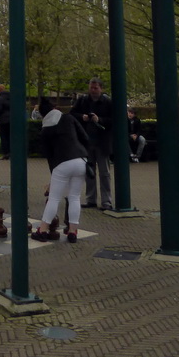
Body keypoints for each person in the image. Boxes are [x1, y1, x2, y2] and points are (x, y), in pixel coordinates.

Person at [30, 97, 89, 243]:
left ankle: (42, 230)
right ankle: (73, 231)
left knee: (54, 198)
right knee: (74, 197)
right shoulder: (69, 118)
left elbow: (49, 156)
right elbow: (85, 138)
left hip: (61, 164)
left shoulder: (44, 131)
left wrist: (52, 179)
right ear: (55, 108)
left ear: (43, 115)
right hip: (81, 160)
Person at [69, 77, 114, 211]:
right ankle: (91, 199)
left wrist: (99, 119)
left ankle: (107, 201)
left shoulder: (107, 102)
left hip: (102, 142)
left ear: (101, 89)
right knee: (89, 172)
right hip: (87, 142)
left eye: (95, 88)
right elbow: (72, 114)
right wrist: (82, 117)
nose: (93, 90)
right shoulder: (83, 100)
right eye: (91, 88)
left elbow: (114, 120)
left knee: (104, 173)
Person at [0, 84, 11, 159]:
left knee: (4, 137)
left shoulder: (0, 98)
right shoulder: (11, 97)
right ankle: (11, 153)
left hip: (4, 120)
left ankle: (5, 154)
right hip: (12, 120)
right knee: (10, 137)